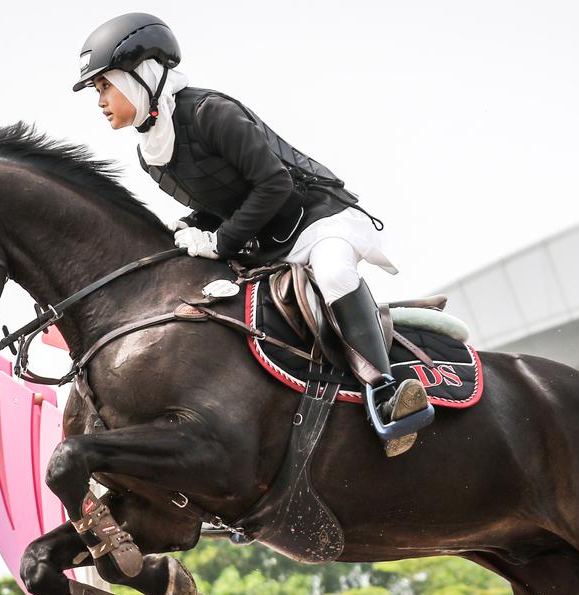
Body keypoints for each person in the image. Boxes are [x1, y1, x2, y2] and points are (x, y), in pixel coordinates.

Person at [72, 12, 433, 456]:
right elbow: (220, 200)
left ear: (141, 75)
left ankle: (387, 392)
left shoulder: (210, 113)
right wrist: (191, 227)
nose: (100, 100)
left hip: (316, 220)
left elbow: (274, 184)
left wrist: (220, 241)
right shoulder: (151, 154)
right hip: (265, 243)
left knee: (335, 273)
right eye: (97, 90)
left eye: (105, 85)